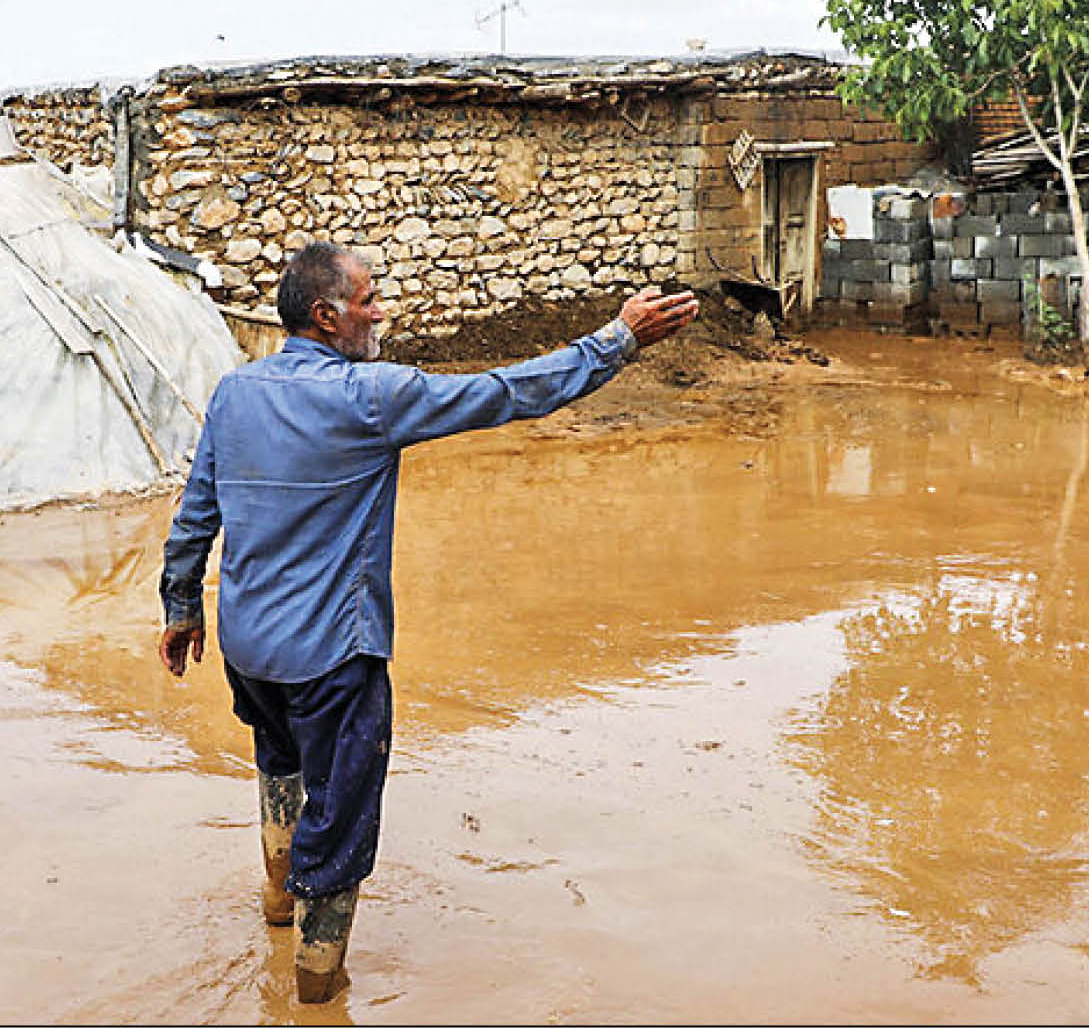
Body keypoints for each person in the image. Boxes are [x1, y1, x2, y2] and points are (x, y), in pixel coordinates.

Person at [155, 240, 699, 1002]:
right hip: (330, 657)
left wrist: (181, 606)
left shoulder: (234, 392)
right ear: (327, 315)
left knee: (277, 763)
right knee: (339, 822)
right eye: (369, 299)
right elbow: (507, 391)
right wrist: (616, 338)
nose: (381, 311)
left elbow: (196, 513)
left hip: (248, 646)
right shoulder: (371, 396)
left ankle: (277, 903)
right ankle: (313, 993)